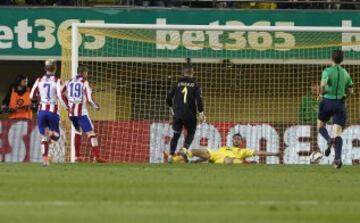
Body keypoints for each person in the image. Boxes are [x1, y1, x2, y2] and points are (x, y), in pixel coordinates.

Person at [61, 65, 106, 163]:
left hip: (72, 114)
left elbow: (60, 92)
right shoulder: (85, 82)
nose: (87, 75)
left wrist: (67, 106)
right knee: (91, 133)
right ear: (84, 73)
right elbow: (89, 100)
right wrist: (96, 106)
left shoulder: (69, 81)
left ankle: (78, 156)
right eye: (87, 73)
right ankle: (97, 156)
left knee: (78, 131)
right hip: (81, 113)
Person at [317, 50, 353, 169]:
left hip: (327, 102)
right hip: (340, 104)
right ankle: (337, 159)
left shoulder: (327, 71)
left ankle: (328, 139)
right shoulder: (346, 73)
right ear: (342, 60)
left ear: (331, 58)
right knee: (338, 133)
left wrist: (322, 93)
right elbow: (351, 91)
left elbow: (322, 86)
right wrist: (343, 96)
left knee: (320, 125)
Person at [166, 58, 205, 163]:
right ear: (193, 72)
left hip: (178, 114)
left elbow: (168, 98)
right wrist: (201, 113)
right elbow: (199, 100)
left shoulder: (177, 83)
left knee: (176, 135)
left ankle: (170, 155)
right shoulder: (196, 84)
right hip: (190, 114)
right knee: (191, 132)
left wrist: (172, 109)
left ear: (183, 72)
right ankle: (184, 149)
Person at [30, 59, 67, 167]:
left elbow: (31, 96)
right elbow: (60, 96)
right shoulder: (57, 80)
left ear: (45, 68)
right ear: (55, 68)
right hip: (53, 112)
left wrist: (39, 98)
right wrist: (67, 107)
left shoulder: (39, 80)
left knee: (43, 137)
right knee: (56, 135)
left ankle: (45, 159)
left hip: (41, 112)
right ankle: (52, 134)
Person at [179, 133, 281, 164]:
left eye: (238, 139)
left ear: (241, 142)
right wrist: (196, 162)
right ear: (232, 141)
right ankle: (185, 154)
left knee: (230, 160)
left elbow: (259, 152)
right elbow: (208, 157)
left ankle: (246, 164)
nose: (236, 140)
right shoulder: (224, 147)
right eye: (235, 139)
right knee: (199, 151)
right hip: (214, 155)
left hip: (227, 159)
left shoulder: (243, 151)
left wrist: (274, 154)